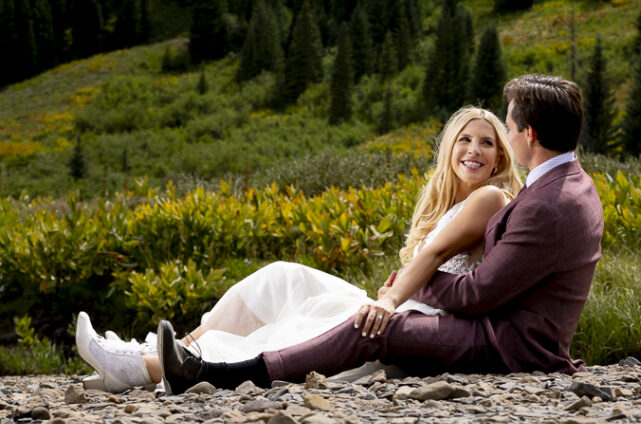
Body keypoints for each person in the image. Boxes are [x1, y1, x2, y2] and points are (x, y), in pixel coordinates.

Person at [158, 74, 604, 394]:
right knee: (363, 315)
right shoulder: (572, 184)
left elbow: (478, 294)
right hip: (513, 333)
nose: (506, 134)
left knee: (375, 327)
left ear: (529, 134)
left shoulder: (546, 203)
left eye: (507, 128)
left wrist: (411, 285)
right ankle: (201, 363)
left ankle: (220, 375)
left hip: (508, 346)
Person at [75, 106, 522, 392]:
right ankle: (159, 349)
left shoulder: (490, 198)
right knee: (283, 276)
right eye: (465, 139)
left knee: (304, 324)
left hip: (416, 326)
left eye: (487, 143)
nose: (474, 150)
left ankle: (144, 369)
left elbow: (434, 258)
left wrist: (389, 298)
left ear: (500, 158)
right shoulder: (449, 203)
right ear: (450, 149)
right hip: (403, 307)